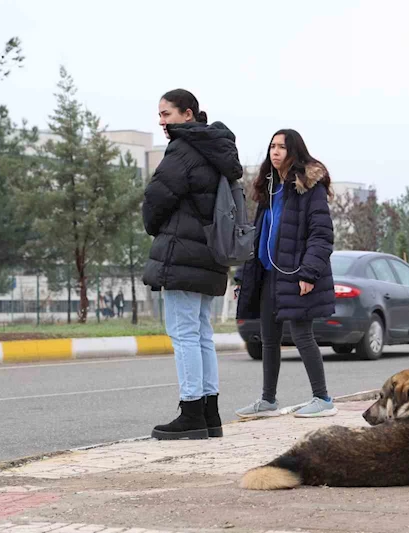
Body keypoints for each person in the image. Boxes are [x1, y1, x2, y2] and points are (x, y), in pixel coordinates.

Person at [142, 89, 243, 440]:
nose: (161, 121)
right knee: (201, 335)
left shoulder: (184, 148)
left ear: (188, 114)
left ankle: (191, 412)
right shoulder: (218, 149)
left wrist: (154, 227)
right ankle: (209, 414)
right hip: (211, 254)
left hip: (183, 254)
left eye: (166, 114)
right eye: (159, 115)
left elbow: (157, 195)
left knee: (184, 334)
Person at [234, 129, 337, 419]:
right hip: (268, 273)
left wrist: (309, 273)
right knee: (268, 339)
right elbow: (257, 236)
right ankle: (268, 401)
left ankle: (323, 398)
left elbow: (321, 234)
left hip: (296, 273)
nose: (275, 151)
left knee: (303, 335)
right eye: (272, 146)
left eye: (282, 147)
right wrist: (243, 276)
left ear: (294, 151)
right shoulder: (269, 188)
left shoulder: (308, 186)